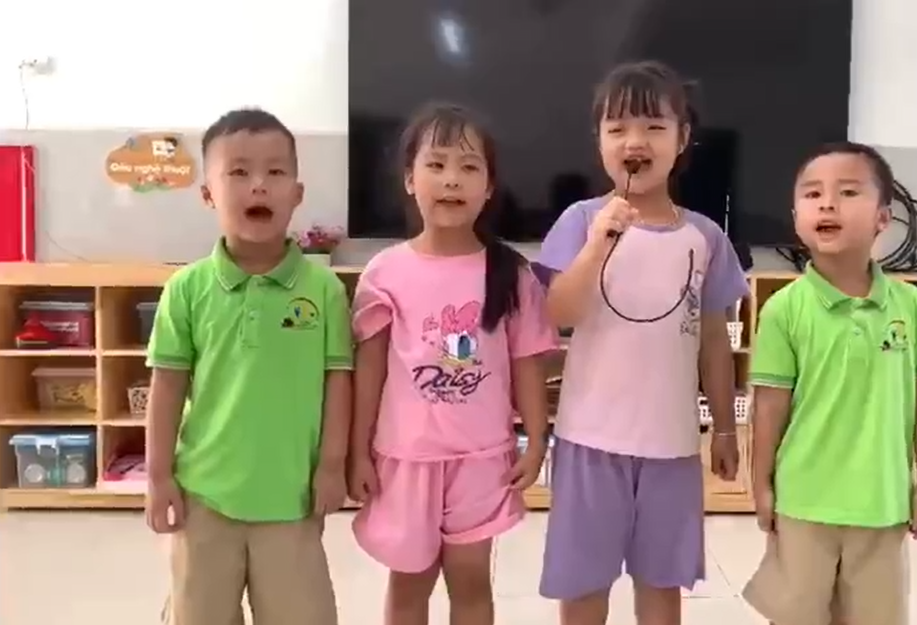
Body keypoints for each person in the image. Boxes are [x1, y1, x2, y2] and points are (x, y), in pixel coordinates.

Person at [535, 60, 750, 625]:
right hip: (589, 440)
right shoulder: (581, 220)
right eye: (618, 128)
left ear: (682, 139)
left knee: (662, 583)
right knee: (583, 583)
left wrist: (725, 428)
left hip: (671, 446)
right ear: (600, 143)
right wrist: (598, 244)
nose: (636, 141)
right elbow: (557, 313)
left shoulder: (705, 236)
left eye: (655, 126)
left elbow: (714, 342)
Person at [348, 102, 557, 625]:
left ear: (489, 187)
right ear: (409, 179)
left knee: (470, 581)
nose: (451, 179)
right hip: (404, 458)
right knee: (408, 583)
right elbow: (369, 372)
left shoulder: (511, 273)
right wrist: (357, 452)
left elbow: (527, 362)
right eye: (436, 164)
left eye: (468, 166)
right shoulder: (384, 273)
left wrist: (537, 439)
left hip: (481, 459)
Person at [144, 108, 353, 625]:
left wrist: (332, 466)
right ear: (208, 194)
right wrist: (158, 476)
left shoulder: (324, 290)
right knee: (199, 613)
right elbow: (167, 387)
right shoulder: (186, 289)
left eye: (275, 172)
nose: (259, 185)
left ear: (297, 194)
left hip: (293, 498)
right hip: (203, 497)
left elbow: (338, 382)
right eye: (238, 172)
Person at [742, 141, 917, 625]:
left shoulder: (913, 306)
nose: (828, 204)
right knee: (796, 615)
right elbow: (769, 407)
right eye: (813, 194)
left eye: (848, 192)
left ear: (883, 217)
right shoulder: (783, 309)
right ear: (796, 217)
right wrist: (761, 485)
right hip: (802, 503)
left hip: (883, 504)